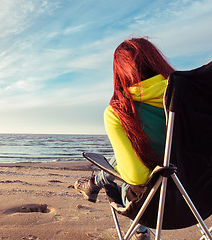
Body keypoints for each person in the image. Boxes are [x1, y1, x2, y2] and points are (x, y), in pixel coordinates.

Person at [74, 37, 175, 240]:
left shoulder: (119, 112)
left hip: (158, 207)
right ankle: (95, 184)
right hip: (201, 199)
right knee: (142, 153)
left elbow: (137, 177)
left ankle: (97, 182)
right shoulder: (192, 97)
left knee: (133, 163)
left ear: (121, 73)